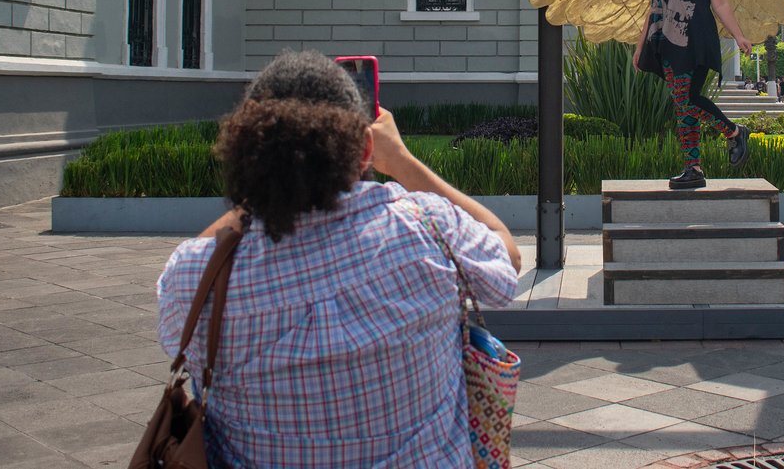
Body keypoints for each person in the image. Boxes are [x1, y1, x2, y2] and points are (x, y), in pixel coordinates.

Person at [156, 51, 520, 469]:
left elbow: (180, 299)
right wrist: (400, 160)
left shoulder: (196, 278)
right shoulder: (427, 230)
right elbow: (506, 255)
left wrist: (265, 190)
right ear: (365, 148)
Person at [633, 0, 753, 190]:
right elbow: (653, 9)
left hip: (695, 41)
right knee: (683, 103)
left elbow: (720, 4)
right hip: (665, 44)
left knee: (686, 99)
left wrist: (738, 36)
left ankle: (734, 132)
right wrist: (640, 48)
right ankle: (694, 169)